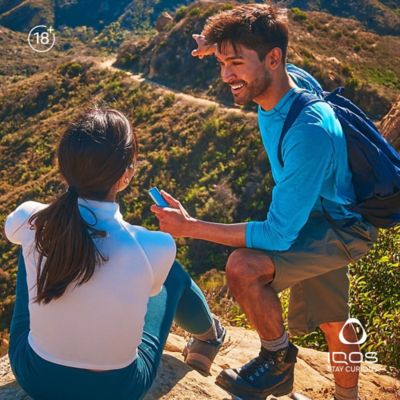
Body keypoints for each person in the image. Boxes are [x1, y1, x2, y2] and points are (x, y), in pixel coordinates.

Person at [151, 4, 377, 400]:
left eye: (235, 63)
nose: (225, 75)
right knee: (334, 323)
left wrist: (189, 227)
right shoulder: (284, 81)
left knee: (243, 267)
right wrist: (217, 47)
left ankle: (277, 361)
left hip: (339, 227)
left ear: (273, 59)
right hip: (314, 213)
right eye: (222, 63)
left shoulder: (309, 132)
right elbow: (256, 55)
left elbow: (276, 233)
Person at [4, 107, 225, 400]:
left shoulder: (28, 217)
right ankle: (209, 336)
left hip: (37, 378)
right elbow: (152, 291)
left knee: (32, 238)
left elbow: (20, 230)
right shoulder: (153, 246)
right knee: (172, 275)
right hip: (118, 389)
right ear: (125, 176)